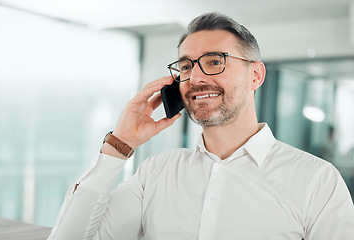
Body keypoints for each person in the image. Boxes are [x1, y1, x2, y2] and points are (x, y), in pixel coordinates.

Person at [48, 12, 354, 240]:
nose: (195, 78)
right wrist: (119, 143)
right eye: (185, 66)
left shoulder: (317, 181)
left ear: (255, 76)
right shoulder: (157, 172)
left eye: (214, 61)